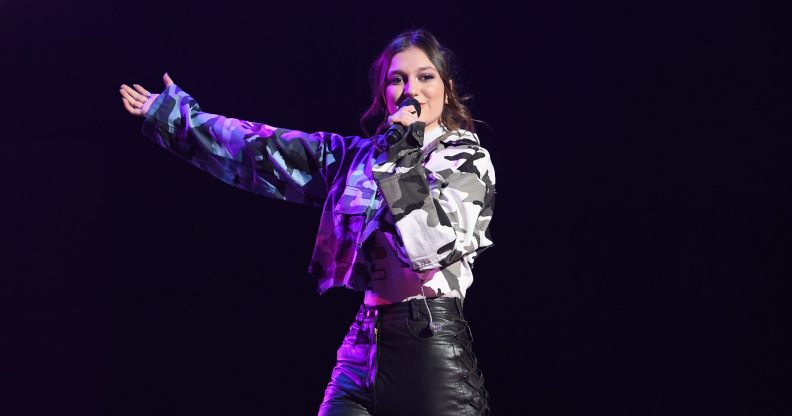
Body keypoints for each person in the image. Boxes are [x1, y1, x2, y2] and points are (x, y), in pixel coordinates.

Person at [119, 29, 495, 416]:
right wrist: (177, 118)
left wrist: (396, 154)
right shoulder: (356, 160)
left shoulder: (467, 159)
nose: (409, 89)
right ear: (383, 95)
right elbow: (264, 149)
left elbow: (428, 247)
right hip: (363, 345)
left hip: (430, 348)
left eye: (425, 76)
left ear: (446, 89)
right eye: (396, 79)